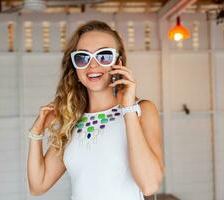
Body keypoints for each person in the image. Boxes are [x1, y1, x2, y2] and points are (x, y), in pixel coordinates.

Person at [27, 20, 165, 200]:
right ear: (75, 66)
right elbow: (38, 186)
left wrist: (128, 109)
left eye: (104, 56)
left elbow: (149, 185)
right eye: (83, 57)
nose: (92, 65)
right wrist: (36, 133)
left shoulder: (142, 110)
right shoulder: (72, 119)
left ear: (119, 62)